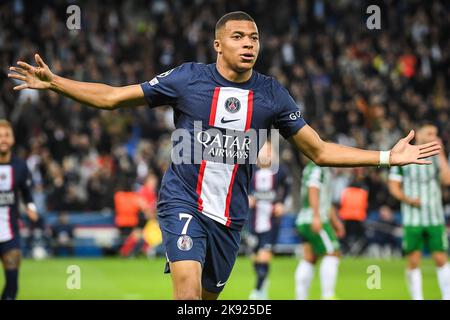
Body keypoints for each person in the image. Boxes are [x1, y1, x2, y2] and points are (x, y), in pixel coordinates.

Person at [8, 11, 441, 300]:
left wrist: (387, 156)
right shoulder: (186, 79)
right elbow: (114, 98)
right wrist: (57, 82)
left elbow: (321, 152)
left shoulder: (271, 94)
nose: (248, 44)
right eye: (238, 37)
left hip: (230, 219)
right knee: (187, 294)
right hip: (182, 202)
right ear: (218, 45)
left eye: (254, 37)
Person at [388, 121, 450, 300]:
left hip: (434, 218)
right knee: (414, 261)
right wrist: (408, 200)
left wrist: (442, 153)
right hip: (412, 218)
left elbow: (446, 180)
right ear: (419, 134)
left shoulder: (437, 157)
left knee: (440, 259)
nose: (433, 137)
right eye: (429, 134)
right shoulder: (404, 156)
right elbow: (393, 187)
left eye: (435, 134)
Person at [295, 159, 345, 300]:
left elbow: (326, 202)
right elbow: (313, 188)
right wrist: (316, 216)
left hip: (304, 219)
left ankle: (300, 297)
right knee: (332, 253)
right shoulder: (318, 167)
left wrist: (336, 222)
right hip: (315, 219)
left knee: (309, 258)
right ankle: (328, 296)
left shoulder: (310, 168)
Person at [0, 120, 38, 300]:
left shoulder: (20, 166)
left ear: (13, 139)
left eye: (6, 135)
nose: (3, 139)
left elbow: (27, 192)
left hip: (10, 234)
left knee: (12, 284)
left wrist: (31, 208)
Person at [247, 141, 291, 300]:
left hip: (271, 222)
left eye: (269, 150)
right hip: (253, 221)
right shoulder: (251, 170)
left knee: (265, 255)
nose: (266, 153)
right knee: (255, 257)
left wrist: (282, 203)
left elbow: (287, 189)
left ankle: (257, 291)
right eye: (264, 150)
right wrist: (247, 198)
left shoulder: (280, 172)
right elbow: (241, 187)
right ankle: (263, 282)